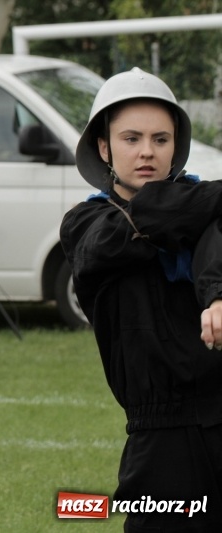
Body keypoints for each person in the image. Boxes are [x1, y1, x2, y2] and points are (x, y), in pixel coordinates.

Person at [60, 67, 222, 531]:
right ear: (104, 147)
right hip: (161, 438)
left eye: (160, 138)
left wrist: (218, 295)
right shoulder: (86, 225)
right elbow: (151, 217)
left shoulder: (208, 213)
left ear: (176, 146)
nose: (148, 151)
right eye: (131, 138)